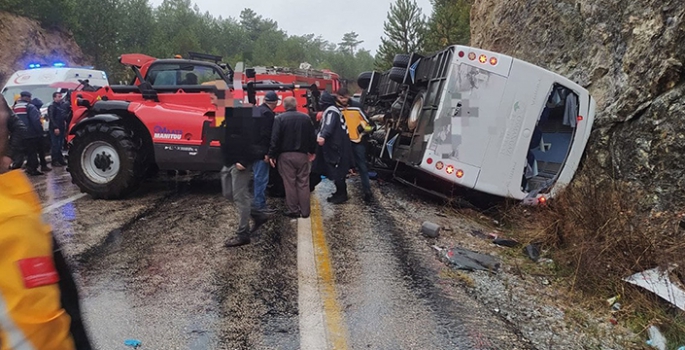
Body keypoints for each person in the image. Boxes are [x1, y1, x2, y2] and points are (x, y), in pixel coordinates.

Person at [0, 99, 93, 349]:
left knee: (38, 157)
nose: (5, 117)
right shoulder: (10, 220)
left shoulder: (14, 205)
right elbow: (38, 336)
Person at [220, 104, 269, 248]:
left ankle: (243, 234)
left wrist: (244, 161)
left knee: (241, 197)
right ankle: (258, 214)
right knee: (229, 193)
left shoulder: (243, 122)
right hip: (228, 162)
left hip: (239, 164)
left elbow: (250, 143)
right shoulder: (227, 117)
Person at [268, 97, 316, 218]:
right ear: (296, 105)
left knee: (289, 183)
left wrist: (272, 155)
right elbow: (312, 136)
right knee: (304, 183)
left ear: (284, 106)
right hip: (302, 155)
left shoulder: (279, 119)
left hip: (285, 156)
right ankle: (305, 211)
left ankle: (293, 210)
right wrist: (312, 151)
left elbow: (275, 139)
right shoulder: (306, 118)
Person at [336, 87, 375, 203]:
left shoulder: (357, 107)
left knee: (362, 167)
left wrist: (363, 131)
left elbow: (369, 124)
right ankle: (341, 193)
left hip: (358, 141)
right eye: (341, 98)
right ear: (337, 97)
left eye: (345, 97)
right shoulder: (336, 109)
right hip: (343, 143)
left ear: (349, 96)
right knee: (341, 168)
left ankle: (367, 191)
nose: (343, 100)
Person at [314, 91, 352, 204]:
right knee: (337, 170)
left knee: (337, 171)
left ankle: (342, 194)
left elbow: (328, 125)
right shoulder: (333, 109)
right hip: (339, 145)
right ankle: (340, 192)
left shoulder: (331, 111)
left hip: (337, 147)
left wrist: (323, 136)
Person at [253, 91, 278, 215]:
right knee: (261, 179)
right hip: (261, 152)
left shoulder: (257, 110)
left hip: (253, 150)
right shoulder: (268, 114)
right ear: (274, 103)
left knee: (258, 177)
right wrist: (268, 153)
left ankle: (258, 205)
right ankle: (259, 207)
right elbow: (267, 135)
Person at [13, 91, 50, 175]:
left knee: (24, 152)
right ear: (27, 97)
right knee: (32, 152)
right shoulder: (29, 107)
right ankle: (33, 169)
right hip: (31, 133)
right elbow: (35, 121)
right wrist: (40, 131)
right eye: (30, 97)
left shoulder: (15, 107)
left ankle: (26, 167)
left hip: (19, 133)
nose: (30, 99)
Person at [48, 92, 69, 167]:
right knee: (55, 145)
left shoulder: (61, 106)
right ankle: (55, 160)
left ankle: (60, 159)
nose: (60, 98)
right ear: (54, 98)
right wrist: (55, 127)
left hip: (61, 127)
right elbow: (51, 118)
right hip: (55, 128)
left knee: (60, 144)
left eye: (61, 96)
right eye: (58, 96)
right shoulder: (52, 106)